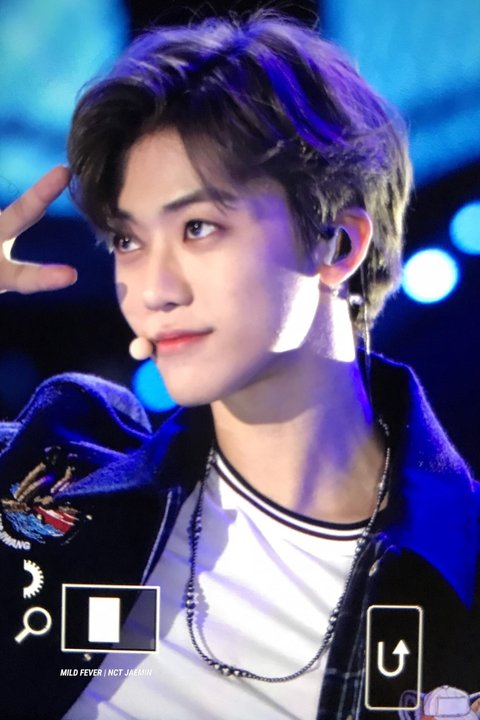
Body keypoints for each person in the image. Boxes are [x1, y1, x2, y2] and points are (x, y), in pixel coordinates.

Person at [0, 11, 479, 720]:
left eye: (198, 228)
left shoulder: (462, 574)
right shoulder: (50, 477)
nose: (154, 290)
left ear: (337, 245)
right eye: (129, 241)